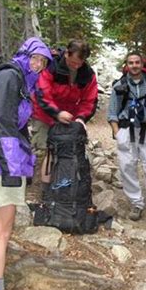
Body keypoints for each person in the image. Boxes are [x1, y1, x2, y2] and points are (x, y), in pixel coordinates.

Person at [0, 37, 52, 290]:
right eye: (34, 58)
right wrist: (10, 167)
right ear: (24, 54)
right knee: (1, 231)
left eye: (43, 61)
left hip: (3, 161)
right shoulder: (10, 76)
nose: (38, 64)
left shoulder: (21, 80)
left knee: (3, 230)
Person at [32, 39, 98, 197]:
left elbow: (90, 100)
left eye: (80, 63)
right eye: (74, 62)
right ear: (67, 53)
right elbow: (43, 94)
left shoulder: (87, 74)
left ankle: (64, 185)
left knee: (66, 150)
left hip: (70, 116)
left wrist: (82, 118)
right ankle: (46, 190)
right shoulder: (52, 66)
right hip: (45, 114)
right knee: (49, 149)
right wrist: (57, 113)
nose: (76, 66)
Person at [107, 52, 146, 222]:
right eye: (131, 62)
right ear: (126, 65)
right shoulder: (119, 86)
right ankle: (136, 203)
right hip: (126, 130)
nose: (134, 65)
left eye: (137, 62)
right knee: (127, 167)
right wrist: (118, 134)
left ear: (142, 64)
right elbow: (112, 113)